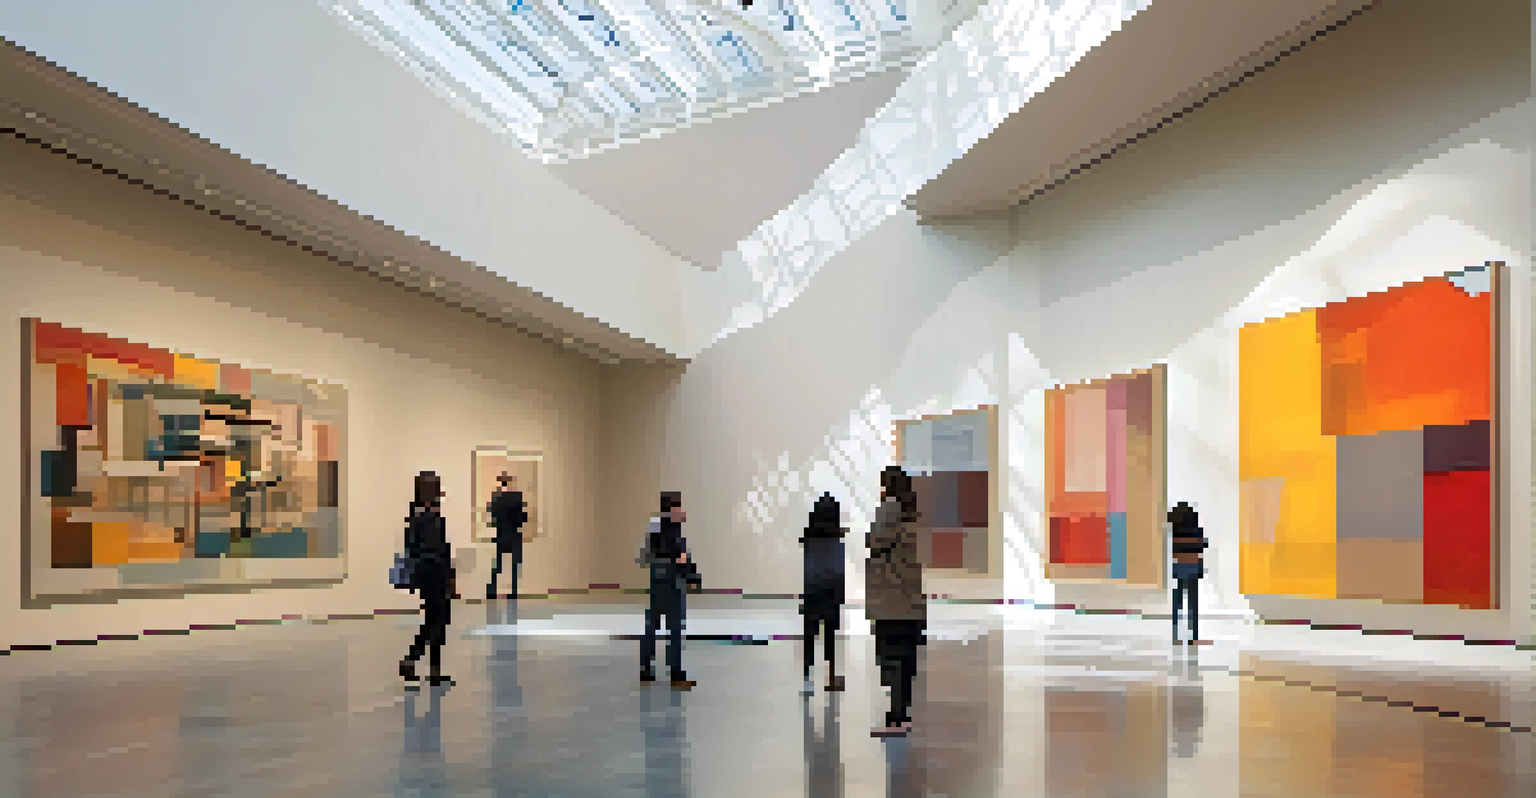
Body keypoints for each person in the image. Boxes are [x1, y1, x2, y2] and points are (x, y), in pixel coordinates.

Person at [866, 465, 925, 737]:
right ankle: (901, 715)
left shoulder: (889, 507)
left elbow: (875, 540)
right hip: (910, 600)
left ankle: (896, 718)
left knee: (890, 658)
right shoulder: (912, 515)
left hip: (891, 600)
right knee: (905, 661)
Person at [401, 470, 456, 688]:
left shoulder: (415, 516)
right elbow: (439, 551)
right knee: (438, 621)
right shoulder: (430, 517)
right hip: (435, 576)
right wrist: (449, 577)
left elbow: (413, 549)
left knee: (433, 621)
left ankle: (421, 665)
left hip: (425, 576)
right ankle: (421, 664)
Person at [638, 491, 698, 690]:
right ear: (671, 508)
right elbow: (678, 557)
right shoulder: (668, 528)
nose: (681, 510)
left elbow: (646, 556)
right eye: (678, 506)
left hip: (659, 582)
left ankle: (646, 670)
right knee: (673, 629)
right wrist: (689, 575)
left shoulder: (657, 526)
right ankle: (675, 674)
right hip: (670, 584)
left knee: (653, 627)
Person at [800, 493, 847, 696]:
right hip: (830, 591)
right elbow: (838, 569)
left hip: (811, 590)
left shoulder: (809, 537)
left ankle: (806, 678)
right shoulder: (836, 538)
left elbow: (808, 566)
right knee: (829, 637)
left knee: (809, 636)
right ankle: (831, 676)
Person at [1168, 501, 1209, 646]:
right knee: (1193, 605)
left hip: (1177, 569)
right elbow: (1203, 545)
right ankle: (1194, 636)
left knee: (1176, 604)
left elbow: (1172, 551)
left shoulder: (1172, 533)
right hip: (1192, 570)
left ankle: (1175, 635)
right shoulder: (1196, 532)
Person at [486, 473, 530, 600]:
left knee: (498, 564)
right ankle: (513, 591)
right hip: (513, 534)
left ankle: (492, 589)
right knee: (514, 565)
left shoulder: (496, 498)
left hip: (501, 534)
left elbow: (493, 517)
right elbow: (522, 518)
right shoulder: (516, 497)